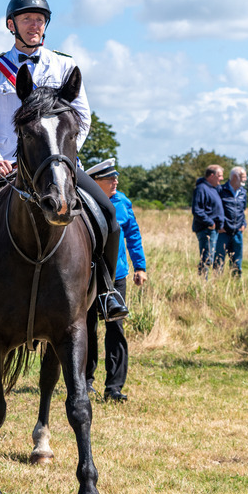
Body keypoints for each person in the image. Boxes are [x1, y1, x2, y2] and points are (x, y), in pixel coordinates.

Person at [0, 0, 128, 322]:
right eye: (26, 19)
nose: (34, 25)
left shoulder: (65, 65)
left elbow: (82, 117)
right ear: (11, 25)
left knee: (106, 213)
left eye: (39, 20)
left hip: (54, 166)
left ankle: (106, 292)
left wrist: (61, 155)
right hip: (4, 165)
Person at [84, 159, 147, 403]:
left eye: (115, 178)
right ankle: (86, 381)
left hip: (116, 275)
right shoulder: (83, 200)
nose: (115, 182)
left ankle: (114, 387)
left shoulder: (122, 202)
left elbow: (133, 235)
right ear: (95, 182)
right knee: (87, 328)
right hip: (88, 275)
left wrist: (140, 266)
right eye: (110, 179)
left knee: (115, 329)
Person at [191, 165, 224, 276]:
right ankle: (202, 283)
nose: (222, 178)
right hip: (206, 230)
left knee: (210, 257)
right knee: (206, 259)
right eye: (219, 176)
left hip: (213, 230)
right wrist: (210, 223)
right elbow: (197, 210)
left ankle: (206, 283)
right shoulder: (201, 189)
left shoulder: (213, 189)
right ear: (211, 176)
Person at [214, 166, 248, 276]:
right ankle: (216, 284)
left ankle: (236, 286)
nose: (245, 179)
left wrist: (244, 224)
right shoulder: (220, 190)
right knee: (219, 261)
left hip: (237, 232)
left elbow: (242, 210)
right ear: (234, 177)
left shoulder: (243, 192)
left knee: (237, 262)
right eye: (243, 177)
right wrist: (219, 225)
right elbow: (215, 209)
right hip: (223, 232)